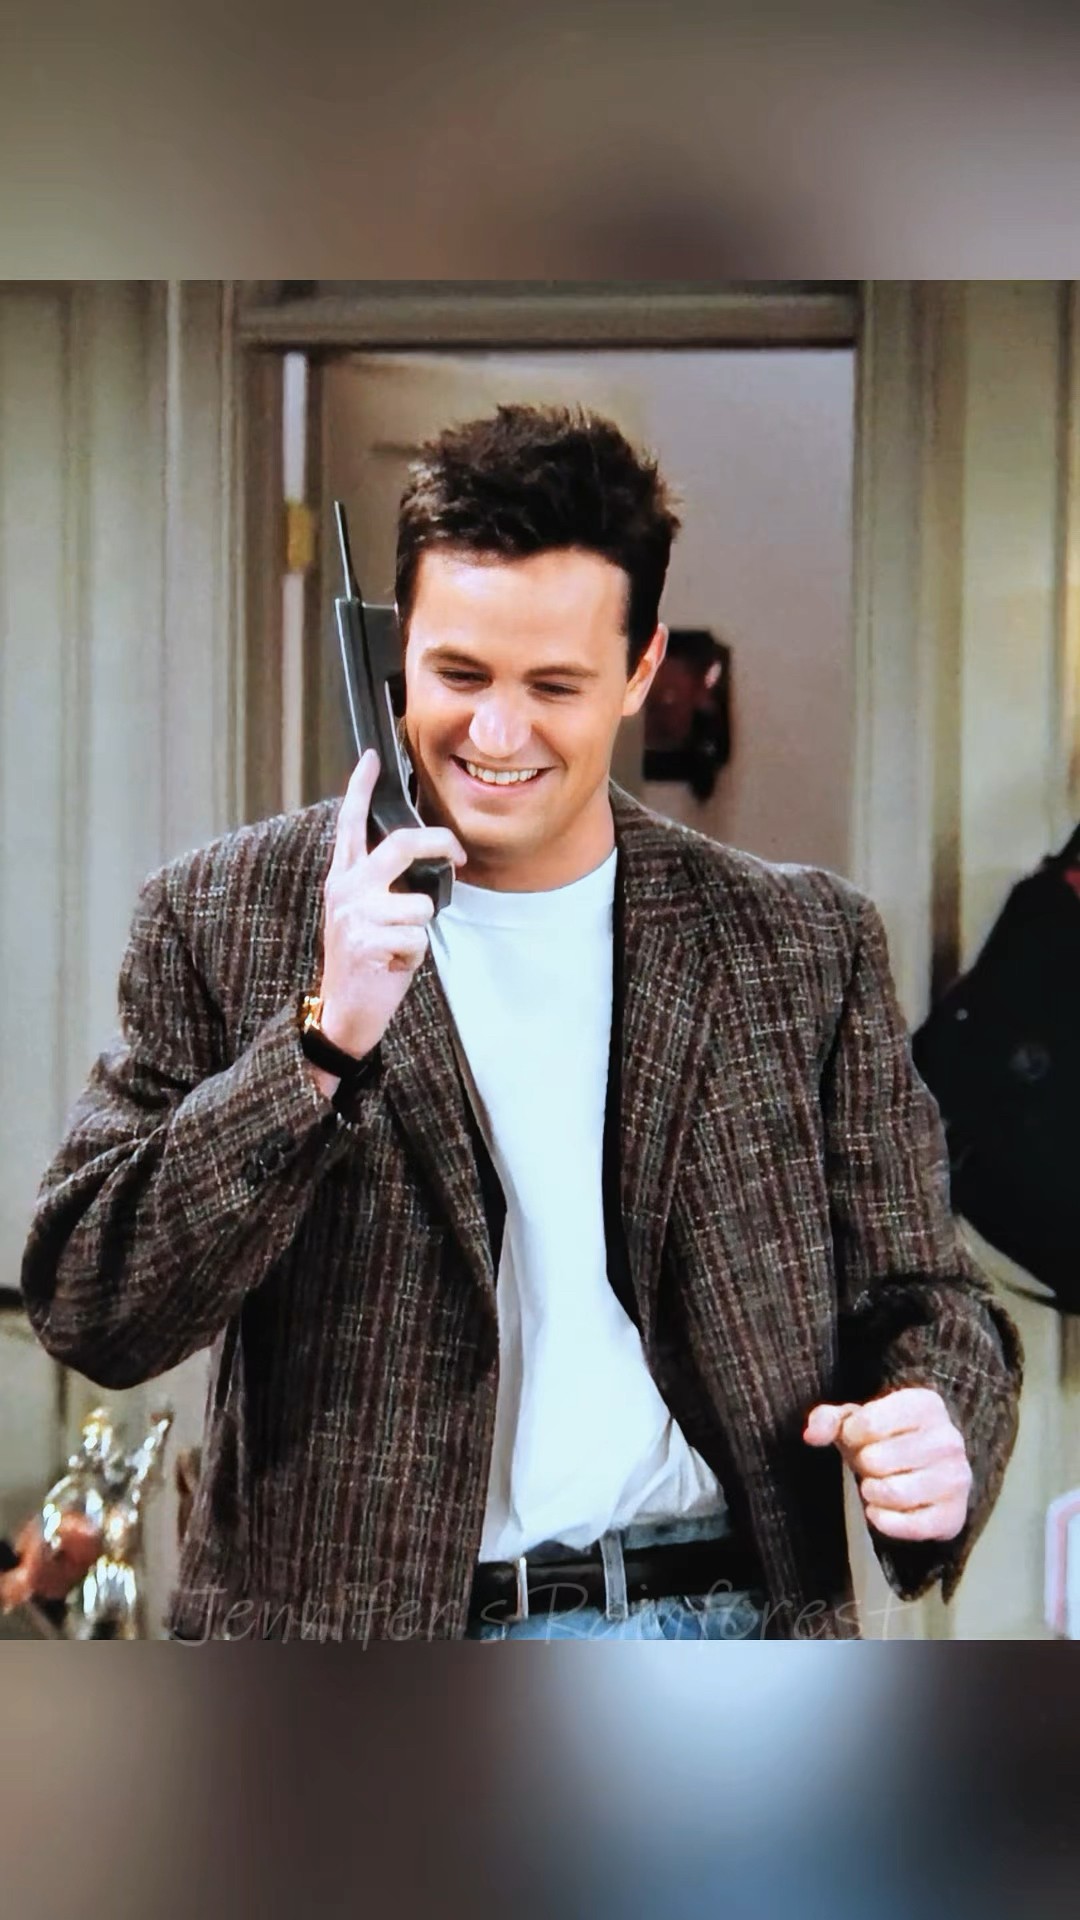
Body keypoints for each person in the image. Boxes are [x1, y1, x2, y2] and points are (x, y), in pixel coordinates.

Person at [20, 404, 1022, 1641]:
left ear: (641, 672)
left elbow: (931, 1297)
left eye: (553, 686)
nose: (496, 736)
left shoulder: (802, 945)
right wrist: (317, 1046)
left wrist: (937, 1422)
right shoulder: (222, 915)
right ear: (393, 650)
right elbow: (93, 1307)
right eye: (458, 676)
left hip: (715, 1632)